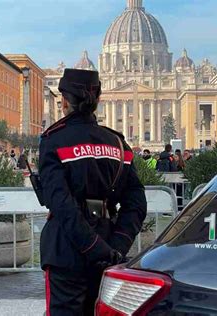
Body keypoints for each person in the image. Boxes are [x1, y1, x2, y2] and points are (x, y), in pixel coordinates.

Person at [39, 69, 147, 315]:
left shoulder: (54, 140)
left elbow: (62, 204)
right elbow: (137, 204)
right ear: (98, 100)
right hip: (109, 246)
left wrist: (92, 246)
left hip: (67, 250)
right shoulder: (118, 143)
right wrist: (116, 246)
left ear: (64, 101)